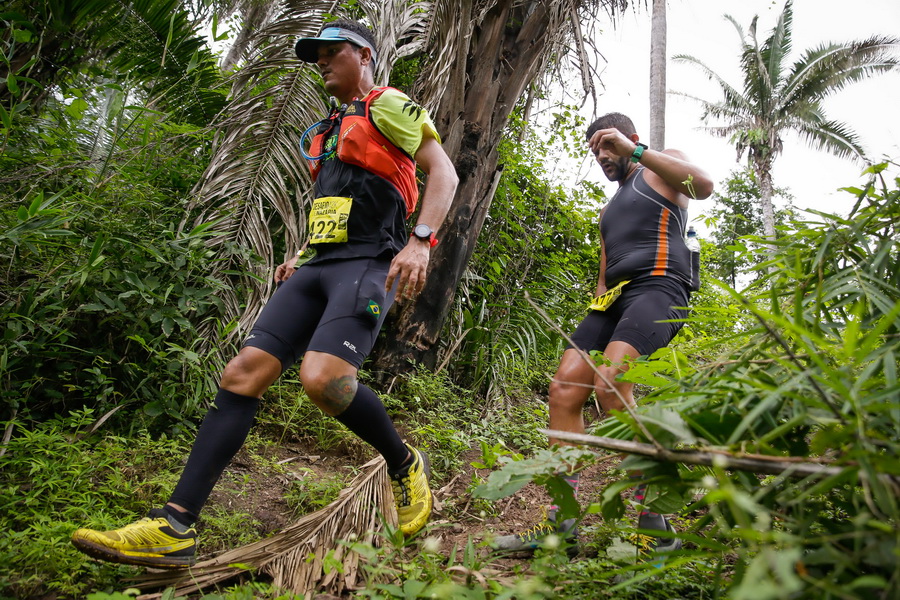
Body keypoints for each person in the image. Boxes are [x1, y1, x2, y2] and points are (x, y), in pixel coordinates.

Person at [71, 19, 458, 569]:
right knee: (241, 374)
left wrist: (421, 241)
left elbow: (444, 172)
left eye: (331, 51)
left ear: (365, 55)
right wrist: (301, 250)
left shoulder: (389, 104)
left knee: (324, 380)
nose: (321, 61)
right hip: (319, 263)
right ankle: (175, 526)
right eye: (315, 54)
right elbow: (341, 200)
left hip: (370, 262)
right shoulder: (328, 128)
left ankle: (402, 463)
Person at [493, 112, 713, 557]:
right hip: (612, 302)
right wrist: (596, 315)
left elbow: (703, 186)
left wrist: (635, 150)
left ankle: (656, 522)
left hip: (659, 288)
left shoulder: (660, 167)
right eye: (595, 150)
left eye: (607, 145)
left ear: (630, 139)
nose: (601, 156)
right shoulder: (607, 209)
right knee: (563, 390)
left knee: (611, 385)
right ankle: (562, 524)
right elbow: (604, 271)